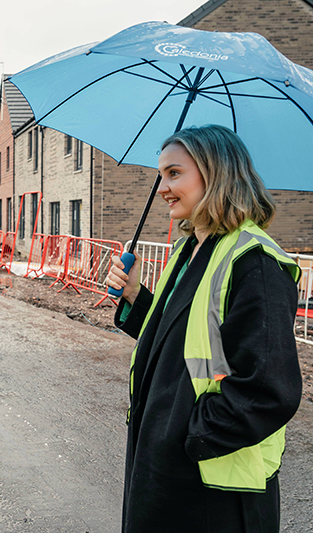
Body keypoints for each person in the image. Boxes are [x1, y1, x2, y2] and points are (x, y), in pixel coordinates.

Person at [105, 124, 302, 532]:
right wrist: (136, 296)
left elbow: (269, 389)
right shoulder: (189, 250)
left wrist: (190, 438)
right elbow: (187, 343)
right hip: (166, 466)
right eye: (161, 175)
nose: (162, 187)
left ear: (217, 175)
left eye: (174, 173)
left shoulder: (255, 262)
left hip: (214, 487)